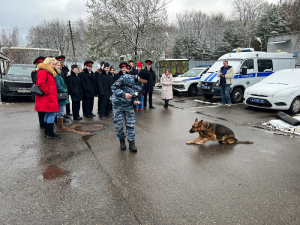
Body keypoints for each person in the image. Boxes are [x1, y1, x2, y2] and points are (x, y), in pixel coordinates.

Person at [111, 62, 150, 152]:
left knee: (130, 124)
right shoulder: (126, 77)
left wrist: (135, 101)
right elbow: (113, 87)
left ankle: (131, 143)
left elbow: (135, 96)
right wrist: (124, 94)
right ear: (140, 77)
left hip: (128, 106)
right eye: (146, 80)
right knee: (119, 125)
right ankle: (122, 141)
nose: (146, 82)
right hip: (117, 104)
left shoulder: (140, 85)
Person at [35, 57, 61, 139]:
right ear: (48, 64)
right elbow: (41, 83)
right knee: (52, 114)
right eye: (53, 64)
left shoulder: (47, 72)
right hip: (48, 97)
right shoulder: (44, 72)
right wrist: (48, 92)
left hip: (49, 97)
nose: (54, 66)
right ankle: (50, 132)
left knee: (48, 114)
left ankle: (47, 131)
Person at [54, 60, 70, 132]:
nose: (59, 66)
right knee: (60, 112)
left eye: (60, 65)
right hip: (60, 95)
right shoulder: (56, 75)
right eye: (58, 65)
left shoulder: (58, 74)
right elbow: (58, 86)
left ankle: (61, 126)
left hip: (61, 93)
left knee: (61, 111)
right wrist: (64, 90)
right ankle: (60, 127)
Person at [31, 56, 46, 129]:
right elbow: (35, 82)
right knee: (40, 109)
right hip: (39, 92)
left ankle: (46, 122)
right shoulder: (35, 72)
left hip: (44, 92)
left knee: (45, 108)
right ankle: (42, 123)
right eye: (40, 63)